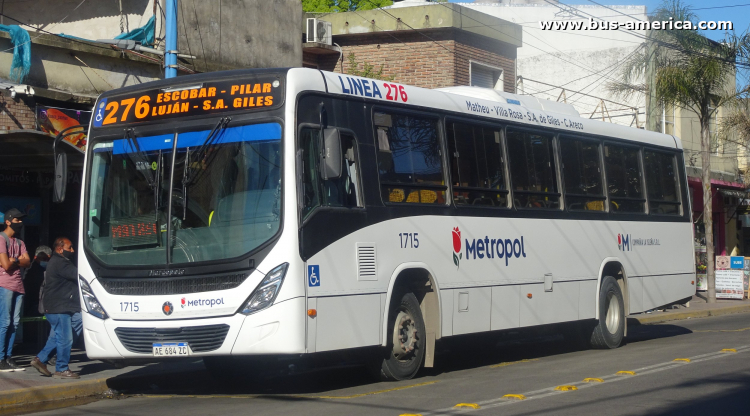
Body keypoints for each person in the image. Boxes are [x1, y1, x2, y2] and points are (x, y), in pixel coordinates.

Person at [29, 237, 80, 379]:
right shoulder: (61, 262)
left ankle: (41, 359)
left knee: (60, 335)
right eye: (70, 247)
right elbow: (79, 275)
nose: (72, 250)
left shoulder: (58, 262)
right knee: (65, 338)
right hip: (59, 307)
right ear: (60, 248)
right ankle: (62, 368)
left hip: (63, 307)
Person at [0, 208, 30, 372]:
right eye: (17, 220)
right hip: (4, 284)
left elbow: (27, 262)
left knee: (15, 322)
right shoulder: (0, 239)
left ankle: (8, 357)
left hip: (18, 285)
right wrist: (18, 260)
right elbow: (5, 264)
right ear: (8, 221)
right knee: (4, 322)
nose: (20, 223)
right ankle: (0, 358)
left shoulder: (20, 242)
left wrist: (15, 259)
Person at [23, 246, 51, 317]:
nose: (46, 261)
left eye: (48, 259)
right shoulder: (31, 269)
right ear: (36, 257)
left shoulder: (48, 269)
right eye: (44, 259)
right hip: (33, 302)